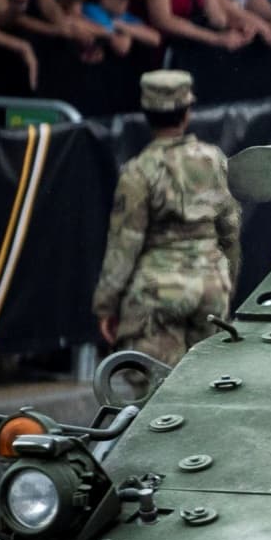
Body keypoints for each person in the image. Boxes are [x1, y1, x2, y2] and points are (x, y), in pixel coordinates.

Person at [92, 69, 242, 365]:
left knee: (155, 391)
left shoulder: (139, 172)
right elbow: (231, 232)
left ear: (146, 114)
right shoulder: (214, 160)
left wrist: (105, 306)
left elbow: (124, 246)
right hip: (211, 289)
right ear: (186, 112)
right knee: (206, 384)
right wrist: (227, 283)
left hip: (159, 293)